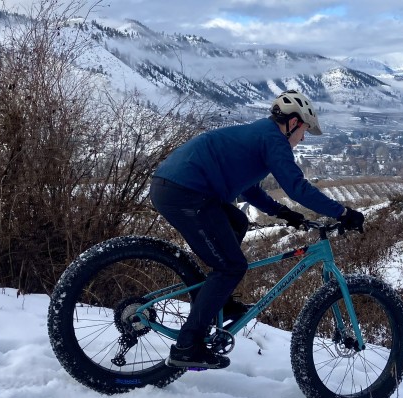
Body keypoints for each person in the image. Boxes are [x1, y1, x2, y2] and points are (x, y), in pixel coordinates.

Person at [149, 90, 365, 369]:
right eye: (305, 131)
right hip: (185, 192)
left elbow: (250, 188)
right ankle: (188, 346)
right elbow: (296, 187)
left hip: (182, 188)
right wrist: (343, 212)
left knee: (238, 223)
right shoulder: (274, 140)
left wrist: (283, 212)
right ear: (294, 123)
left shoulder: (261, 135)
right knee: (230, 267)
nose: (304, 138)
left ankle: (219, 301)